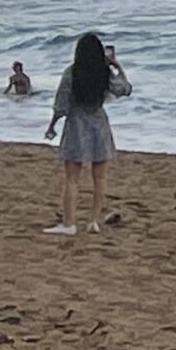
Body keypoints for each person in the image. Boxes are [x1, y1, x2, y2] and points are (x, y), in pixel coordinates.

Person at [45, 31, 117, 236]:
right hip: (99, 125)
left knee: (72, 178)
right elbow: (124, 88)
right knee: (100, 178)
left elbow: (61, 104)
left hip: (77, 125)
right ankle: (94, 220)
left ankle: (69, 222)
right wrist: (116, 65)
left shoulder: (72, 72)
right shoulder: (104, 73)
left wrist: (52, 125)